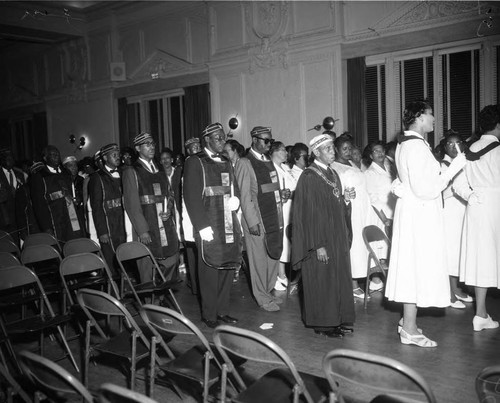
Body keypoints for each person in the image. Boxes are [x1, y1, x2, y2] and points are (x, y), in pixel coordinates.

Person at [385, 100, 466, 347]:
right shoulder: (416, 147)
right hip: (419, 216)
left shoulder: (407, 144)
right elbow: (425, 190)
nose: (433, 119)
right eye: (430, 114)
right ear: (419, 117)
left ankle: (408, 323)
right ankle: (409, 329)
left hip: (414, 214)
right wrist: (454, 168)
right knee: (414, 269)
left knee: (413, 269)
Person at [292, 134, 355, 338]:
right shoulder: (309, 176)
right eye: (327, 149)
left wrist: (345, 200)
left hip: (335, 237)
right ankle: (324, 324)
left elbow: (333, 204)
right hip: (320, 240)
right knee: (323, 281)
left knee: (336, 279)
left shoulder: (333, 173)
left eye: (332, 148)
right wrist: (318, 245)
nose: (332, 152)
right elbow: (309, 215)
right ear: (316, 152)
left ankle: (337, 319)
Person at [184, 123, 242, 328]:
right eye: (217, 138)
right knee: (209, 269)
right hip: (209, 224)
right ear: (207, 140)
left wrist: (236, 202)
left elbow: (233, 187)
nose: (222, 142)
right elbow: (191, 196)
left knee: (226, 267)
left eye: (222, 138)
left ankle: (222, 311)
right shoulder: (195, 161)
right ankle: (209, 314)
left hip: (227, 221)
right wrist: (201, 225)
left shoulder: (226, 160)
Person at [455, 104, 500, 332]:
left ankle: (481, 313)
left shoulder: (469, 148)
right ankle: (481, 316)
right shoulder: (498, 149)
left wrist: (471, 196)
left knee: (482, 259)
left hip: (477, 207)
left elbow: (458, 183)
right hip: (495, 205)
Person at [235, 126, 284, 312]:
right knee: (258, 261)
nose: (269, 144)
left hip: (273, 216)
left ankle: (268, 290)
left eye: (271, 140)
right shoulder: (245, 163)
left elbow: (269, 188)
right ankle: (262, 298)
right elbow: (245, 196)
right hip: (257, 219)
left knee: (273, 256)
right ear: (254, 140)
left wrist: (282, 194)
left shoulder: (267, 161)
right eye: (266, 140)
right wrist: (252, 221)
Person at [122, 132, 179, 285]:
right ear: (138, 148)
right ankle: (149, 303)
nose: (152, 147)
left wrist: (169, 209)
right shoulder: (131, 171)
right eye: (147, 144)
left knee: (171, 259)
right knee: (146, 270)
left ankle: (161, 296)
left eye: (153, 143)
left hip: (164, 225)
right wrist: (142, 230)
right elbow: (131, 204)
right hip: (147, 226)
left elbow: (170, 194)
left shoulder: (160, 169)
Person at [331, 135, 379, 297]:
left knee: (362, 246)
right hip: (350, 210)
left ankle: (360, 280)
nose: (348, 151)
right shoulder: (334, 167)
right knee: (353, 246)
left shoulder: (351, 163)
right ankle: (351, 285)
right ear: (336, 149)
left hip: (363, 208)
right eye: (344, 148)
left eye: (350, 148)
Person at [439, 130, 472, 309]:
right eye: (450, 144)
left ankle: (456, 288)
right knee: (449, 254)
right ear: (445, 147)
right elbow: (439, 192)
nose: (454, 147)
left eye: (457, 143)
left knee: (458, 253)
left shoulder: (462, 162)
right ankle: (449, 294)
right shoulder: (443, 165)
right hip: (449, 214)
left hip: (461, 213)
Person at [31, 145, 85, 242]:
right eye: (53, 155)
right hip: (55, 220)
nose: (56, 157)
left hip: (73, 217)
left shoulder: (66, 173)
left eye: (58, 154)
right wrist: (46, 227)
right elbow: (39, 205)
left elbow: (73, 191)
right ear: (45, 158)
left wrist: (78, 199)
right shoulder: (40, 177)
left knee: (77, 244)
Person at [88, 143, 126, 275]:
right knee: (111, 261)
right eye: (113, 155)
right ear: (105, 158)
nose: (117, 157)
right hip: (109, 225)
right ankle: (113, 290)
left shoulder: (125, 173)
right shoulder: (96, 177)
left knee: (125, 256)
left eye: (118, 154)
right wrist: (102, 231)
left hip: (124, 223)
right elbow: (96, 207)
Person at [269, 141, 294, 291]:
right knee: (281, 241)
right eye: (282, 150)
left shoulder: (286, 168)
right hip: (280, 207)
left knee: (288, 241)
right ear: (274, 152)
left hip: (290, 207)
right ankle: (280, 275)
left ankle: (283, 273)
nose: (286, 153)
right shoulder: (270, 168)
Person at [181, 137, 202, 295]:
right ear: (187, 151)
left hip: (200, 215)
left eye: (198, 146)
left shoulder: (202, 162)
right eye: (193, 147)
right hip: (190, 216)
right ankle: (196, 287)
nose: (196, 149)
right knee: (193, 255)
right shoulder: (188, 164)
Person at [364, 141, 396, 235]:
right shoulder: (370, 173)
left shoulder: (389, 168)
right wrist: (385, 219)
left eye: (382, 150)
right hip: (382, 216)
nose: (380, 153)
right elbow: (374, 199)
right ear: (371, 156)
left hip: (394, 212)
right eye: (376, 151)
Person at [0, 147, 24, 245]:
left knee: (18, 245)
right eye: (6, 157)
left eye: (11, 157)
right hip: (3, 218)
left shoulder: (19, 173)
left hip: (19, 217)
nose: (9, 159)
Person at [62, 156, 86, 237]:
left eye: (75, 165)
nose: (74, 168)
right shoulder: (62, 181)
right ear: (65, 167)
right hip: (67, 213)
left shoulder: (81, 180)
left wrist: (81, 198)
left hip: (81, 211)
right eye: (70, 166)